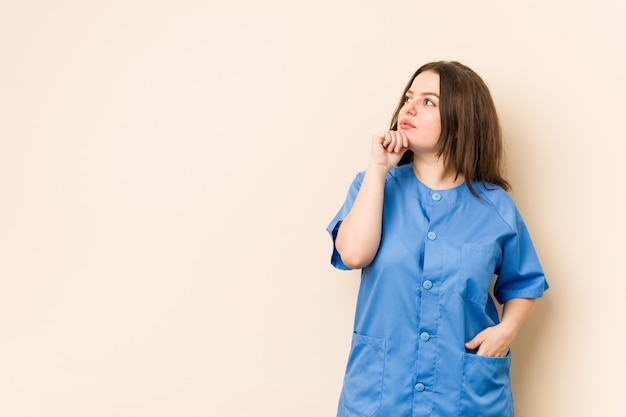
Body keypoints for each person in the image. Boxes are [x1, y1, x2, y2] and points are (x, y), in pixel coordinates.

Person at [326, 61, 549, 417]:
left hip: (463, 398)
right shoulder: (373, 185)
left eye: (429, 101)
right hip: (381, 395)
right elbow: (353, 253)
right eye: (408, 97)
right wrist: (379, 168)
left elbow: (525, 282)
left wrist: (506, 331)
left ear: (461, 125)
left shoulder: (495, 207)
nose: (409, 108)